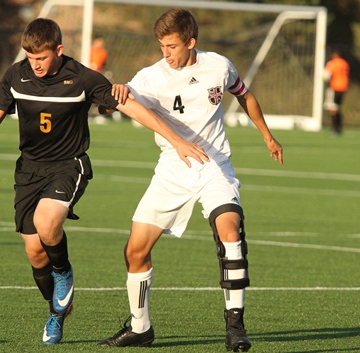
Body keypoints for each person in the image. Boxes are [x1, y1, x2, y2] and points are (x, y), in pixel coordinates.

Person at [0, 18, 209, 345]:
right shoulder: (15, 75)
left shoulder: (81, 78)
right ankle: (56, 312)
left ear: (59, 50)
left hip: (68, 165)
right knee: (35, 251)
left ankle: (63, 273)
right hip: (29, 170)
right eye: (30, 58)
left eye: (42, 58)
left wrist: (176, 141)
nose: (34, 65)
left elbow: (131, 107)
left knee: (47, 222)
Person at [98, 9, 283, 352]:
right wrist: (116, 97)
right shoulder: (151, 77)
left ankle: (236, 326)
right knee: (135, 251)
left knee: (231, 231)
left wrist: (267, 136)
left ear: (191, 42)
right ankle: (141, 328)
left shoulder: (218, 66)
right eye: (161, 46)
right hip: (171, 168)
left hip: (214, 165)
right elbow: (112, 105)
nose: (164, 53)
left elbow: (245, 94)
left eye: (171, 46)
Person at [323, 49, 350, 135]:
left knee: (332, 108)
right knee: (337, 107)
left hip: (334, 87)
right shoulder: (345, 63)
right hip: (343, 87)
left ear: (335, 55)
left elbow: (326, 76)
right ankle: (339, 127)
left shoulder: (333, 63)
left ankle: (335, 128)